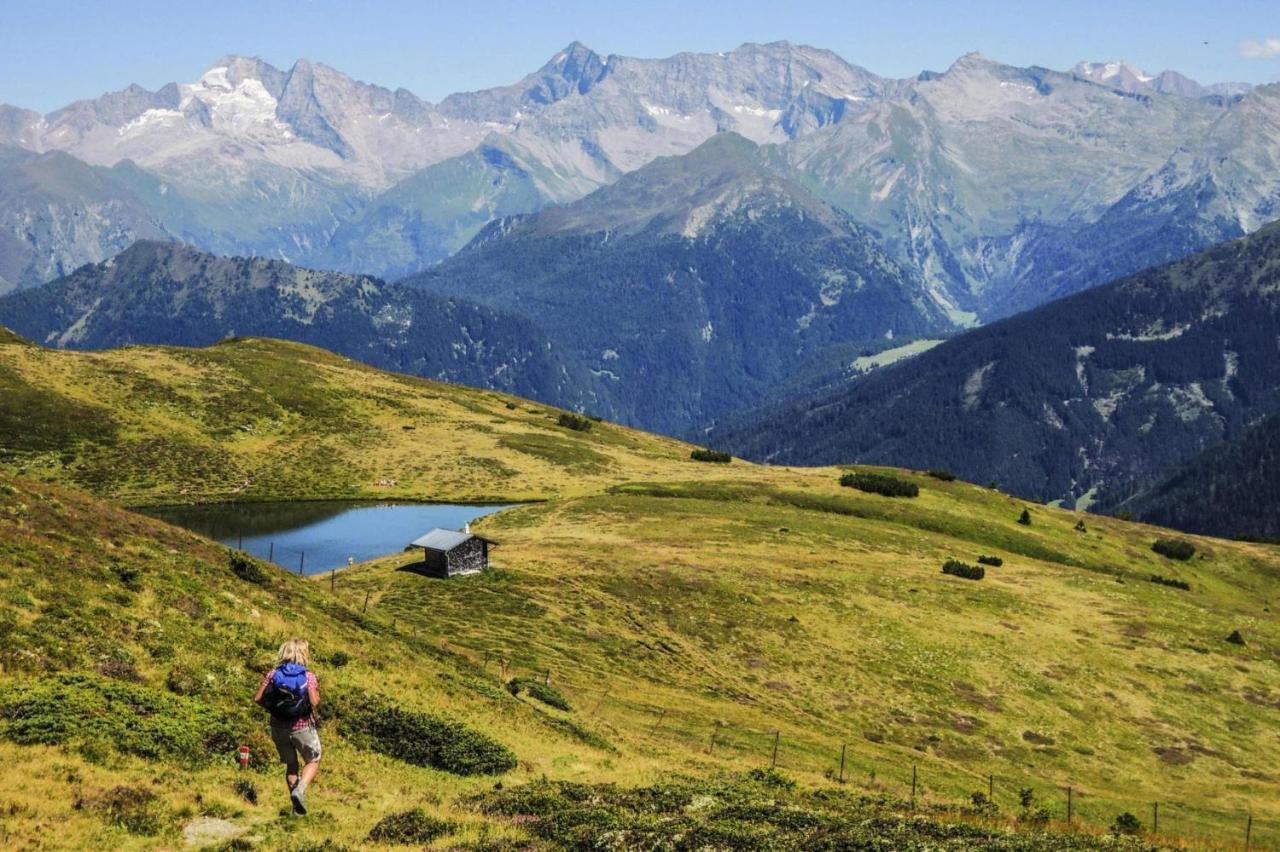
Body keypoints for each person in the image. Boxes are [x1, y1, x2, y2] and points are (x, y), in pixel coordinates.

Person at [254, 638, 322, 815]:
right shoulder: (308, 676)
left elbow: (258, 699)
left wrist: (276, 709)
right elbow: (315, 701)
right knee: (313, 760)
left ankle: (295, 809)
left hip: (278, 727)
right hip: (302, 727)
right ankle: (299, 791)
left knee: (291, 766)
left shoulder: (273, 674)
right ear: (303, 655)